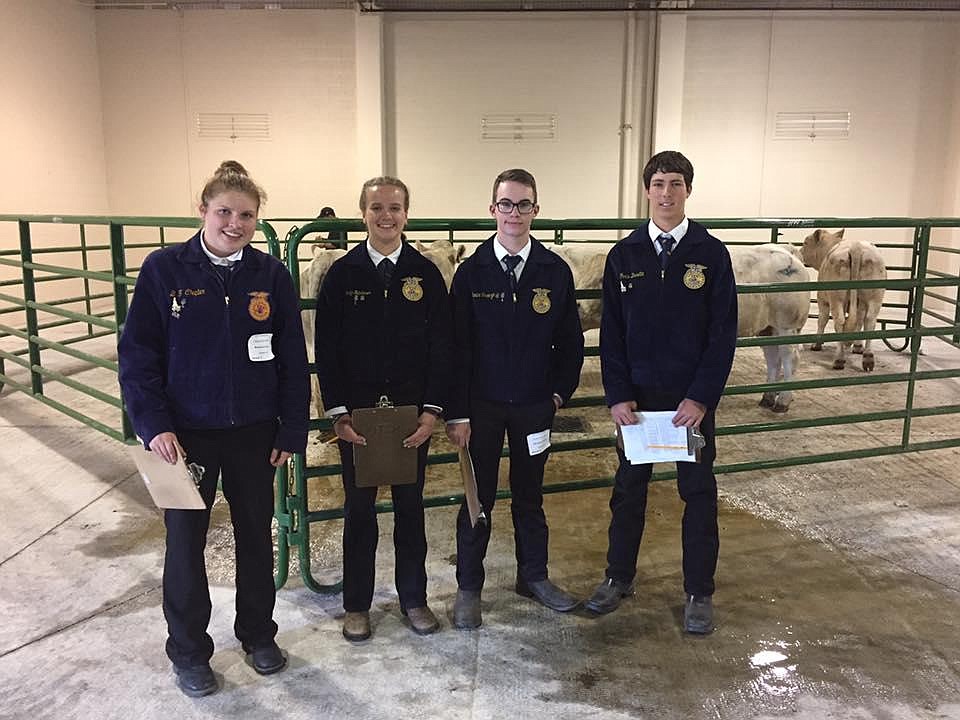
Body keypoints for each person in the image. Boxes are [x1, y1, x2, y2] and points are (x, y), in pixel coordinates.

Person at [118, 160, 309, 696]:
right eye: (224, 211)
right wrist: (153, 424)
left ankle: (257, 634)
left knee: (256, 535)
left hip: (253, 431)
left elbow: (292, 357)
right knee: (185, 543)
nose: (235, 223)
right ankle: (188, 652)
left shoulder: (269, 276)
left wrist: (291, 428)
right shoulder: (164, 270)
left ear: (257, 220)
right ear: (202, 210)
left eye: (246, 215)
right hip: (182, 437)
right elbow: (138, 357)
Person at [585, 150, 738, 634]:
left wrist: (701, 397)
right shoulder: (624, 255)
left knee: (697, 494)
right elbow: (611, 333)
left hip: (688, 406)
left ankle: (699, 591)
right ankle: (618, 576)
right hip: (638, 406)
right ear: (647, 190)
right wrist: (617, 395)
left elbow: (722, 334)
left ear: (688, 190)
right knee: (628, 491)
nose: (666, 193)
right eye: (658, 184)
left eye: (675, 183)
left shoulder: (710, 254)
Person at [314, 176, 452, 642]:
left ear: (407, 214)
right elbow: (327, 349)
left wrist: (431, 412)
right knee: (359, 509)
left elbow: (441, 345)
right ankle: (357, 605)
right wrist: (339, 414)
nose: (385, 216)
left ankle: (414, 598)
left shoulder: (425, 273)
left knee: (411, 508)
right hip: (361, 418)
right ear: (362, 214)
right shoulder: (343, 273)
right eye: (376, 208)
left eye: (394, 208)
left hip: (411, 416)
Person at [446, 168, 584, 629]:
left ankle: (535, 577)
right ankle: (469, 587)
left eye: (524, 205)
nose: (514, 213)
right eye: (506, 204)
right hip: (481, 408)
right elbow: (456, 347)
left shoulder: (554, 272)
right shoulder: (471, 273)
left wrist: (558, 395)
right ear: (492, 210)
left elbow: (570, 342)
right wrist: (458, 412)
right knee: (476, 498)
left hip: (532, 407)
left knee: (530, 495)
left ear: (536, 211)